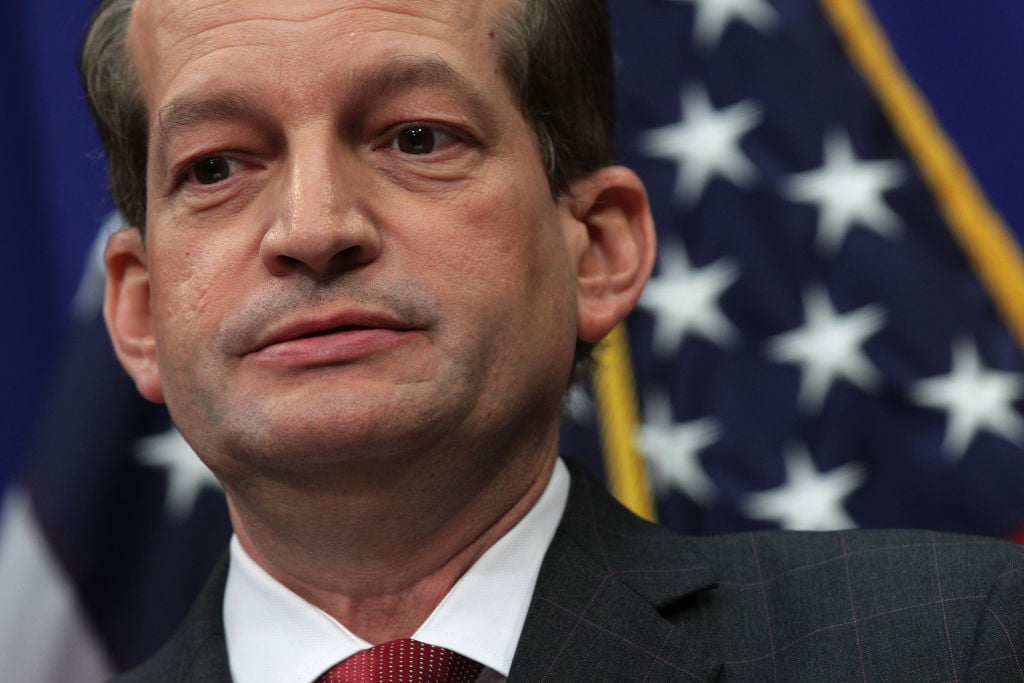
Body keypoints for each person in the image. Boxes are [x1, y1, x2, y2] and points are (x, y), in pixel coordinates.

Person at [82, 0, 1024, 680]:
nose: (315, 226)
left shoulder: (954, 642)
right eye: (216, 166)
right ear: (140, 311)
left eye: (417, 138)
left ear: (598, 249)